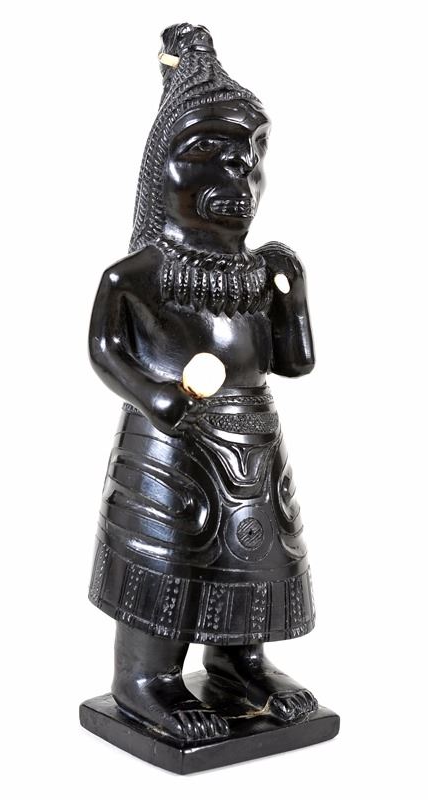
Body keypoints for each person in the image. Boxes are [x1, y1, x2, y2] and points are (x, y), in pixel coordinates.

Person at [88, 23, 317, 743]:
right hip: (169, 446)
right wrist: (157, 396)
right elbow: (104, 350)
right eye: (209, 155)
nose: (238, 179)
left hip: (251, 440)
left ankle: (239, 665)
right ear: (161, 173)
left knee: (252, 559)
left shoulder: (261, 270)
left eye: (250, 158)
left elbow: (294, 364)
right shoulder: (137, 275)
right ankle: (144, 681)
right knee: (169, 557)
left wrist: (294, 298)